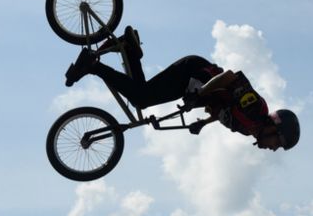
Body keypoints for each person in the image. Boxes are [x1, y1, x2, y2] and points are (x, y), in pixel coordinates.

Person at [64, 34, 300, 152]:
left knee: (142, 93)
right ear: (274, 126)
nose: (273, 148)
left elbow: (225, 109)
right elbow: (229, 77)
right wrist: (202, 92)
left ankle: (128, 48)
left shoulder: (248, 128)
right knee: (142, 98)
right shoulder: (256, 108)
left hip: (192, 86)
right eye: (277, 142)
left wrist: (203, 123)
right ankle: (93, 65)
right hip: (194, 72)